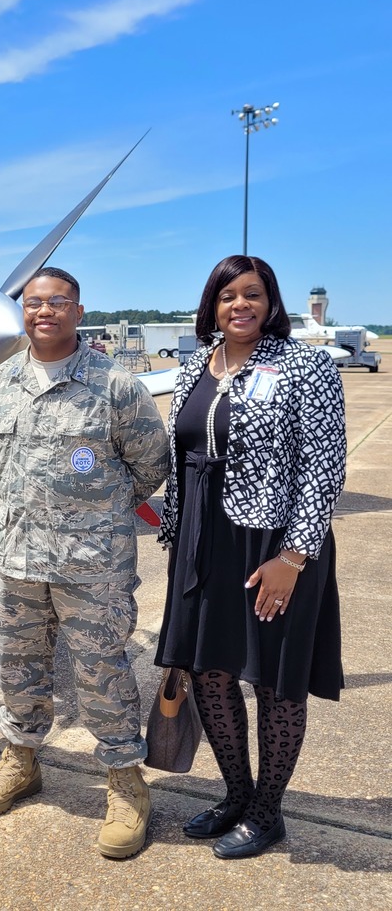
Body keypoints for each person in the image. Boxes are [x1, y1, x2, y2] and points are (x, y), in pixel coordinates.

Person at [0, 267, 169, 860]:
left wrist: (98, 514)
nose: (45, 312)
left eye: (58, 302)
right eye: (33, 303)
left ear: (79, 311)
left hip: (92, 565)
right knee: (17, 666)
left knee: (101, 672)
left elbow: (151, 465)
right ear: (22, 313)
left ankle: (125, 780)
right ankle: (21, 760)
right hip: (12, 561)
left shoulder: (115, 385)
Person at [155, 255, 345, 859]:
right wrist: (176, 541)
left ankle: (269, 812)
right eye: (228, 295)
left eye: (253, 294)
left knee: (274, 681)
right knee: (209, 671)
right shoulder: (193, 367)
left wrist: (294, 555)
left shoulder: (303, 366)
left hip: (272, 541)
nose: (241, 305)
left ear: (272, 302)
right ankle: (237, 794)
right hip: (202, 540)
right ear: (211, 305)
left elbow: (323, 463)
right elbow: (182, 459)